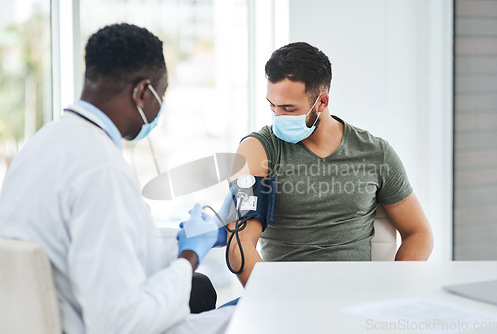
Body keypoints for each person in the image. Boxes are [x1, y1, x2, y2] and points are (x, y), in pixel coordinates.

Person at [0, 23, 233, 333]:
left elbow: (113, 244)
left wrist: (194, 238)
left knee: (208, 294)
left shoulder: (45, 142)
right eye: (161, 95)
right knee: (256, 315)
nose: (160, 107)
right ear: (141, 92)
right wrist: (190, 255)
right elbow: (121, 322)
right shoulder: (101, 171)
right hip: (99, 324)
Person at [227, 42, 434, 286]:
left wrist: (394, 287)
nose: (277, 117)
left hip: (356, 296)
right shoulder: (258, 149)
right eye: (272, 106)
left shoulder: (376, 153)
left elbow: (419, 233)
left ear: (322, 102)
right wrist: (271, 298)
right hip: (284, 297)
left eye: (288, 108)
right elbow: (238, 243)